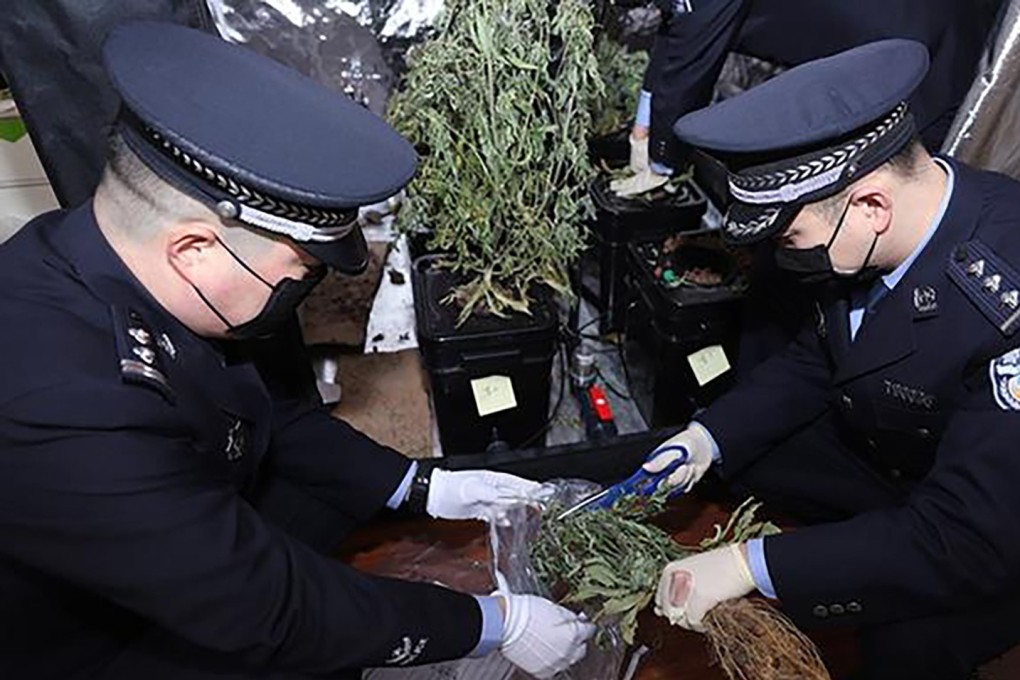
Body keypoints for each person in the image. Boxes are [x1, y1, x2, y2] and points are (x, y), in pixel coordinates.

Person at [0, 21, 594, 680]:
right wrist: (491, 624)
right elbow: (266, 607)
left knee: (330, 510)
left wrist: (425, 487)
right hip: (93, 646)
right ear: (194, 249)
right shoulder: (59, 404)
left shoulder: (100, 254)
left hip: (172, 538)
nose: (302, 292)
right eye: (296, 276)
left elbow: (270, 412)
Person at [634, 39, 1020, 679]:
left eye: (791, 238)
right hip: (911, 454)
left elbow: (966, 536)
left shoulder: (1004, 303)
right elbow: (824, 356)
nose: (788, 256)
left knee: (903, 648)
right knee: (751, 457)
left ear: (871, 205)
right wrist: (707, 439)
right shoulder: (889, 218)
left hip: (993, 523)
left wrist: (749, 566)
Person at [611, 0, 1002, 197]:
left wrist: (662, 163)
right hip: (928, 22)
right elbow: (678, 28)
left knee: (892, 183)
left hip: (919, 46)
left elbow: (689, 57)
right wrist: (644, 125)